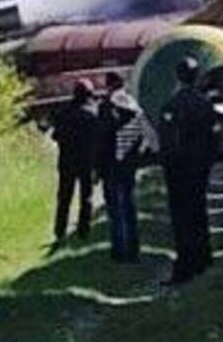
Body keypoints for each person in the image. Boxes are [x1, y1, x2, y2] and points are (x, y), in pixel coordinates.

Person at [159, 55, 218, 286]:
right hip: (199, 167)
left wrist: (168, 165)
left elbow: (168, 141)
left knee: (182, 218)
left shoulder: (172, 105)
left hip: (179, 169)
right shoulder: (205, 104)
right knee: (199, 212)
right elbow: (213, 137)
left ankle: (185, 266)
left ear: (178, 76)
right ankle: (204, 258)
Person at [96, 75, 157, 262]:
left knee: (115, 210)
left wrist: (97, 168)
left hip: (111, 165)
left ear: (109, 87)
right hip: (129, 164)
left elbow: (102, 140)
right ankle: (133, 249)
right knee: (129, 207)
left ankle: (120, 252)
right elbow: (149, 139)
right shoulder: (134, 106)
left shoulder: (107, 106)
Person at [51, 80, 99, 246]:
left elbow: (55, 136)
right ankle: (83, 230)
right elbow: (97, 140)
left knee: (64, 197)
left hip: (66, 161)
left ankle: (60, 231)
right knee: (86, 196)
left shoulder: (63, 113)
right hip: (86, 161)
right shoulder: (93, 115)